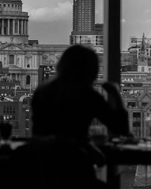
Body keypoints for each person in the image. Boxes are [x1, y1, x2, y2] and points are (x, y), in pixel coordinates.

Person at [18, 44, 130, 188]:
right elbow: (121, 128)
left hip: (40, 171)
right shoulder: (87, 95)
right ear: (91, 71)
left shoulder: (42, 91)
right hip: (75, 169)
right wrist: (115, 93)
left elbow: (44, 135)